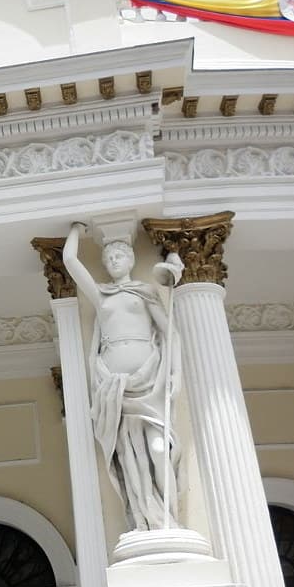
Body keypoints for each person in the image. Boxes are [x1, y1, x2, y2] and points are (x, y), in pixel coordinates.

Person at [62, 223, 183, 531]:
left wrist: (176, 372)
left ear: (130, 260)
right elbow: (70, 262)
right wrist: (75, 229)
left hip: (149, 381)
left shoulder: (145, 292)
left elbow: (171, 334)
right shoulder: (101, 297)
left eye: (119, 256)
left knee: (158, 450)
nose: (114, 261)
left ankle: (169, 519)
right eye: (109, 258)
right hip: (114, 385)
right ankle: (146, 520)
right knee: (130, 457)